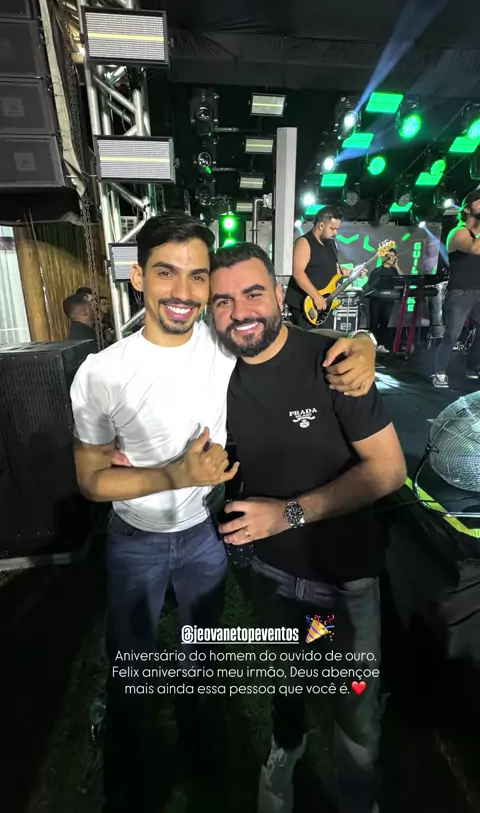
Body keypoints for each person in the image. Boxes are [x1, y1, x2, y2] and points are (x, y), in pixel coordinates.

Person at [69, 213, 377, 813]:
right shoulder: (101, 374)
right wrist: (173, 475)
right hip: (135, 539)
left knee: (202, 658)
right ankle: (124, 788)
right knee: (132, 667)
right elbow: (90, 480)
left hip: (204, 539)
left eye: (196, 277)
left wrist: (361, 342)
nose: (183, 292)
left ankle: (201, 747)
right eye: (165, 273)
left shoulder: (220, 344)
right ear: (138, 277)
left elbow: (285, 338)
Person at [208, 242, 407, 813]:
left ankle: (359, 798)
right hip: (270, 573)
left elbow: (388, 471)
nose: (240, 312)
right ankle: (287, 746)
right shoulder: (213, 372)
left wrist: (287, 513)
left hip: (344, 577)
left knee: (354, 702)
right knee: (288, 676)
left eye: (253, 293)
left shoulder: (333, 363)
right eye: (223, 301)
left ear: (279, 294)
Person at [285, 206, 366, 329]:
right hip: (306, 305)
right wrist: (316, 296)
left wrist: (352, 272)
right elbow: (298, 273)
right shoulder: (304, 242)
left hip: (325, 303)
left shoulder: (331, 244)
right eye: (332, 229)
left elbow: (333, 269)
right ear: (321, 225)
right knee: (308, 339)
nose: (335, 233)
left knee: (325, 337)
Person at [433, 190, 480, 387]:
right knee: (452, 333)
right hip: (460, 291)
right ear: (467, 209)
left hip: (478, 291)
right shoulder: (458, 232)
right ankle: (439, 372)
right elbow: (475, 249)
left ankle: (473, 367)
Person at [366, 248, 403, 353]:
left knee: (384, 323)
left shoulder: (394, 271)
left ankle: (381, 345)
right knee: (374, 323)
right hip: (376, 300)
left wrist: (396, 266)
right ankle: (370, 345)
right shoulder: (377, 271)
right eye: (389, 256)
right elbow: (370, 284)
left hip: (388, 301)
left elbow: (402, 279)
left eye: (393, 256)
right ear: (385, 257)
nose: (391, 258)